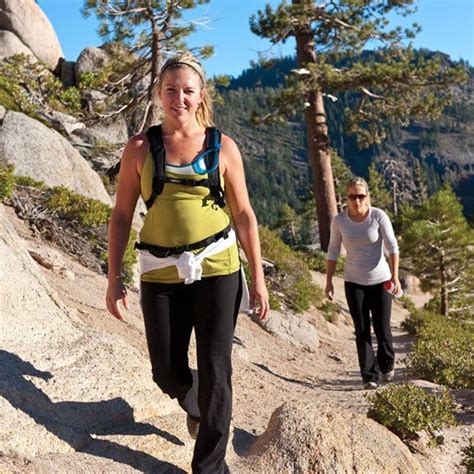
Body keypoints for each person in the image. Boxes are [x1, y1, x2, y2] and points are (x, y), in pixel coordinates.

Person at [105, 52, 269, 473]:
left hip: (218, 268)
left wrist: (258, 277)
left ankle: (210, 467)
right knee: (166, 371)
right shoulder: (140, 148)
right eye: (171, 89)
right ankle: (192, 399)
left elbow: (245, 214)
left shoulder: (222, 147)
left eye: (187, 91)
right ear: (160, 94)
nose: (179, 98)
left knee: (217, 367)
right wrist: (113, 277)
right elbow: (122, 214)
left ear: (200, 96)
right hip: (159, 272)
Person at [325, 177, 400, 390]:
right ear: (346, 198)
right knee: (362, 329)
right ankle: (370, 376)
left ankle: (387, 365)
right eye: (352, 196)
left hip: (381, 280)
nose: (357, 200)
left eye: (361, 196)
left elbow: (392, 247)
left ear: (367, 196)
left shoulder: (378, 216)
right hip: (354, 281)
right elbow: (333, 250)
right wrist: (329, 281)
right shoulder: (339, 221)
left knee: (382, 327)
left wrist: (394, 277)